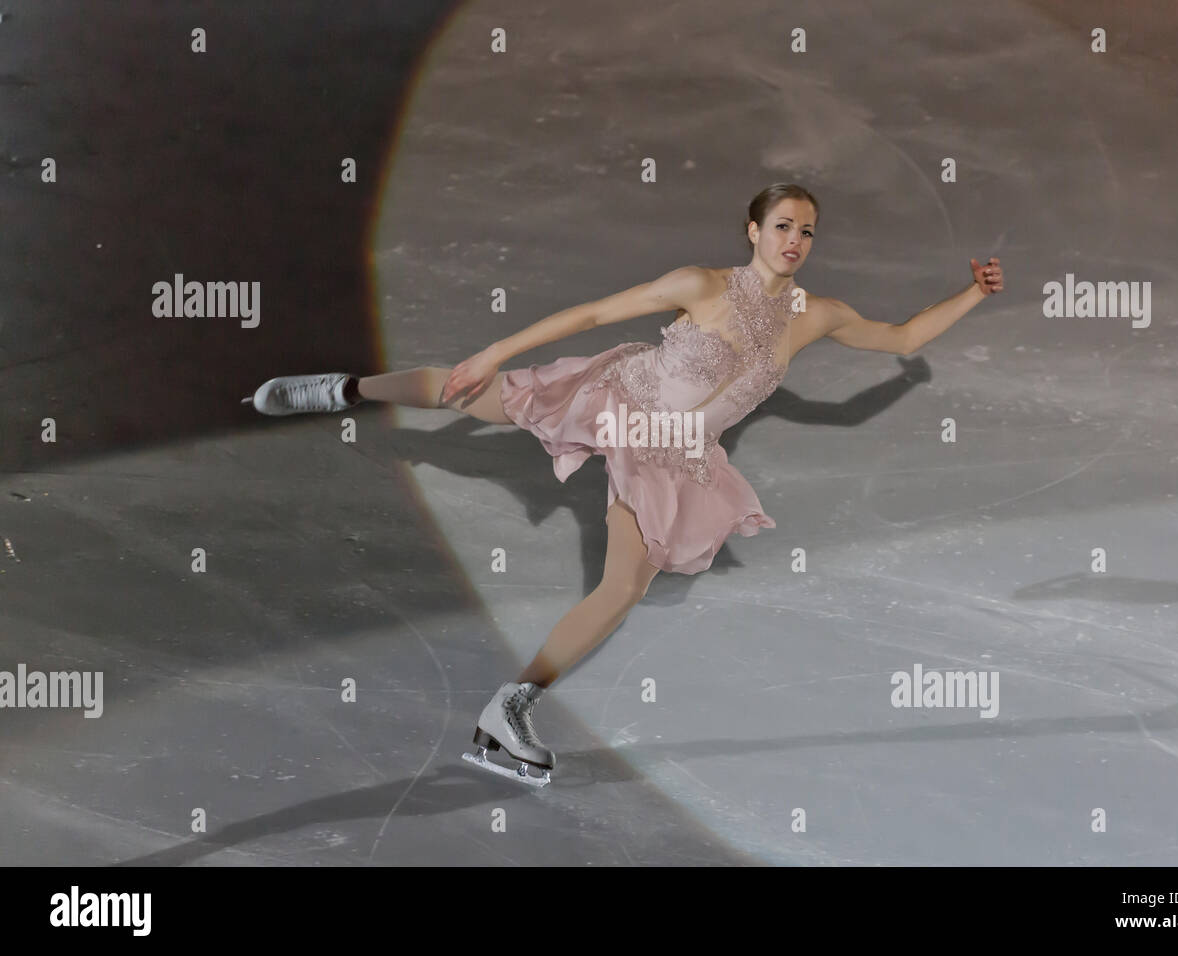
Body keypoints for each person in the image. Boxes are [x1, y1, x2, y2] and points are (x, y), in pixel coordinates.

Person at [246, 183, 1004, 786]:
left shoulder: (816, 316)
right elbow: (595, 311)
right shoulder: (700, 284)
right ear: (752, 231)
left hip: (675, 451)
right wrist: (496, 348)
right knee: (471, 394)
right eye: (781, 226)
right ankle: (345, 390)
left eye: (806, 230)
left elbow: (901, 337)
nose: (794, 241)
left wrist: (974, 294)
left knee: (623, 588)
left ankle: (506, 712)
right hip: (624, 394)